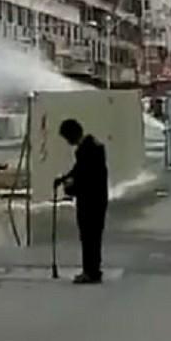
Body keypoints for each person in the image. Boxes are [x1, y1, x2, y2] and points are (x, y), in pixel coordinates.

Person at [57, 119, 108, 285]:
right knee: (93, 236)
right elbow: (78, 169)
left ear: (72, 135)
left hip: (90, 200)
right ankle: (93, 270)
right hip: (98, 198)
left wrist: (70, 188)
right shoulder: (91, 146)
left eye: (67, 138)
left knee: (88, 237)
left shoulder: (87, 150)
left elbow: (86, 177)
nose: (67, 142)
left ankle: (90, 272)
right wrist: (65, 178)